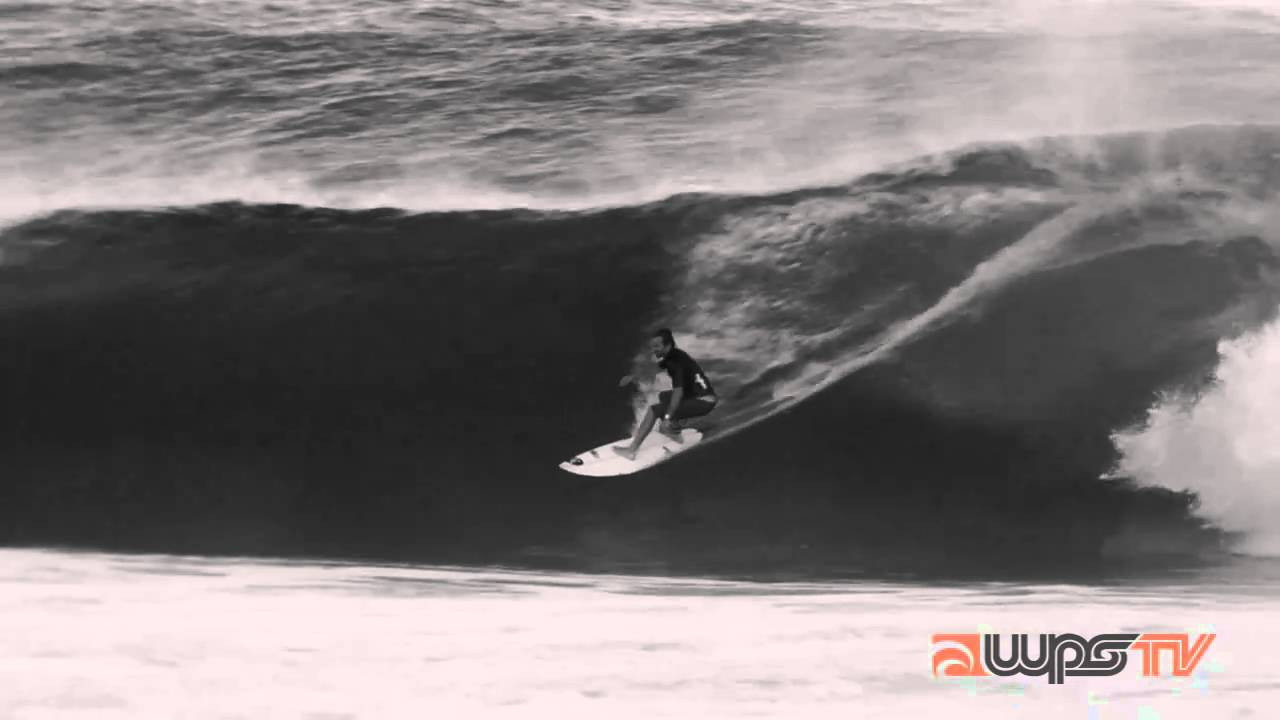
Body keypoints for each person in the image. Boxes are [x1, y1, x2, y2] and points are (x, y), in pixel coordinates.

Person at [613, 329, 717, 460]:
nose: (653, 349)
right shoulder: (673, 355)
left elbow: (678, 394)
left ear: (667, 345)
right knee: (662, 396)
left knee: (655, 410)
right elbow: (660, 367)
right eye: (652, 346)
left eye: (657, 346)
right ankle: (674, 432)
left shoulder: (677, 364)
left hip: (703, 401)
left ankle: (631, 451)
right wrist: (633, 377)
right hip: (695, 394)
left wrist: (667, 417)